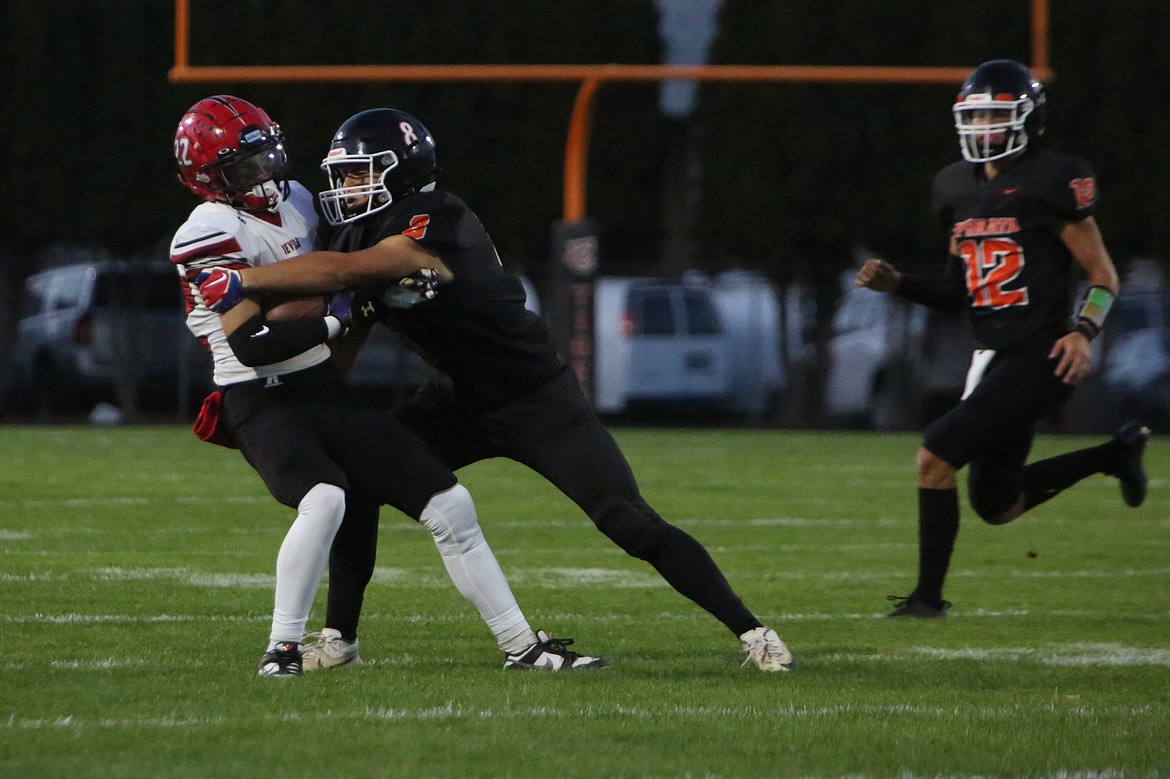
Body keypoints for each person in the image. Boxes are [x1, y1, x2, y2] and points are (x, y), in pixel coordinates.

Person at [196, 107, 795, 671]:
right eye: (342, 176)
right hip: (456, 399)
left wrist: (242, 279)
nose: (345, 188)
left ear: (398, 172)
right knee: (360, 481)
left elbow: (366, 271)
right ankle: (340, 639)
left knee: (625, 519)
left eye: (358, 174)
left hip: (536, 398)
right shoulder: (355, 237)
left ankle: (752, 632)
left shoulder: (435, 215)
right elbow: (347, 332)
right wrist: (317, 401)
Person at [171, 95, 605, 674]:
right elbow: (257, 341)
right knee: (324, 499)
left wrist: (352, 295)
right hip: (260, 392)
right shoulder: (207, 228)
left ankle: (523, 647)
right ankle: (283, 650)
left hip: (320, 383)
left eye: (266, 156)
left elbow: (327, 280)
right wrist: (343, 310)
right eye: (242, 169)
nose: (264, 175)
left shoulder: (299, 200)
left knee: (451, 504)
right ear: (208, 181)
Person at [852, 60, 1150, 618]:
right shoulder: (954, 187)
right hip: (989, 357)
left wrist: (1084, 332)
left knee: (935, 454)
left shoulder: (1052, 181)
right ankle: (1116, 454)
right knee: (999, 504)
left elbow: (1103, 275)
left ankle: (926, 599)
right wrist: (898, 284)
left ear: (1026, 119)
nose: (984, 125)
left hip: (1043, 353)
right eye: (977, 114)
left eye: (996, 113)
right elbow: (954, 289)